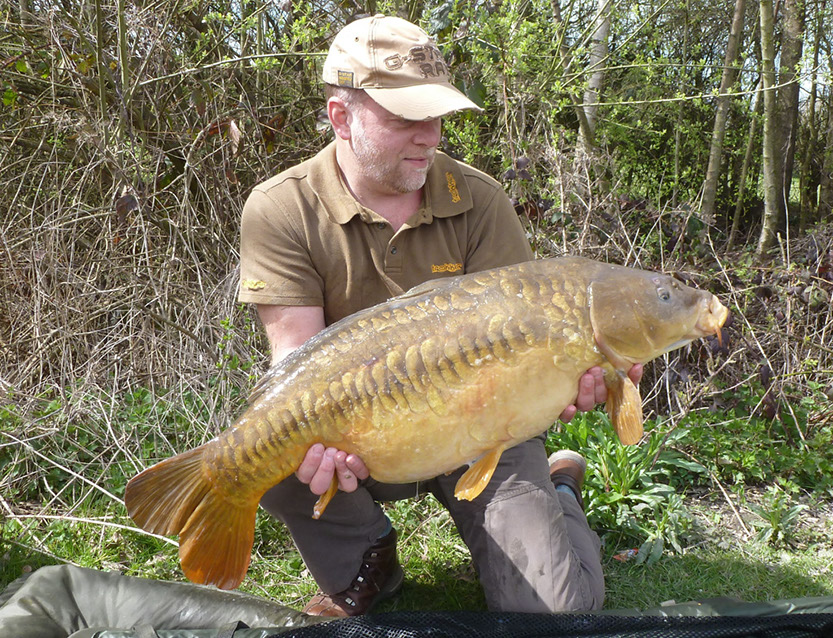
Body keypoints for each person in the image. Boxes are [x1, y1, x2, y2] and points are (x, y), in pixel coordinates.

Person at [238, 15, 641, 617]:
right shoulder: (281, 208)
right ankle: (369, 565)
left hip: (483, 425)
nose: (430, 135)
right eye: (405, 118)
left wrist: (569, 378)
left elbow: (534, 344)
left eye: (437, 116)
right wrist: (320, 439)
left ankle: (559, 487)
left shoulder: (480, 201)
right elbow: (297, 358)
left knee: (557, 615)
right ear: (341, 117)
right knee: (269, 445)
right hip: (365, 429)